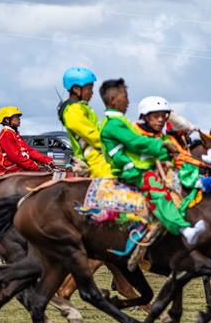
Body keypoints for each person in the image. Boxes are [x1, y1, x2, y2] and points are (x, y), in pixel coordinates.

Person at [98, 80, 202, 243]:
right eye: (125, 97)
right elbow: (136, 143)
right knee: (157, 191)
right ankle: (183, 229)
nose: (128, 101)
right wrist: (162, 146)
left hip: (141, 165)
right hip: (132, 169)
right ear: (112, 100)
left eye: (163, 116)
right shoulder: (113, 124)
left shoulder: (120, 122)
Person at [57, 67, 113, 177]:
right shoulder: (72, 111)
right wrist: (113, 145)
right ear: (76, 89)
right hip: (93, 160)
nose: (91, 93)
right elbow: (91, 135)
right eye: (89, 89)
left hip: (100, 156)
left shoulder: (81, 108)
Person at [0, 106, 54, 177]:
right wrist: (35, 167)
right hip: (10, 170)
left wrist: (47, 160)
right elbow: (17, 157)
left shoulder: (14, 134)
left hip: (19, 168)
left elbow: (29, 151)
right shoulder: (6, 134)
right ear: (7, 120)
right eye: (16, 117)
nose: (19, 119)